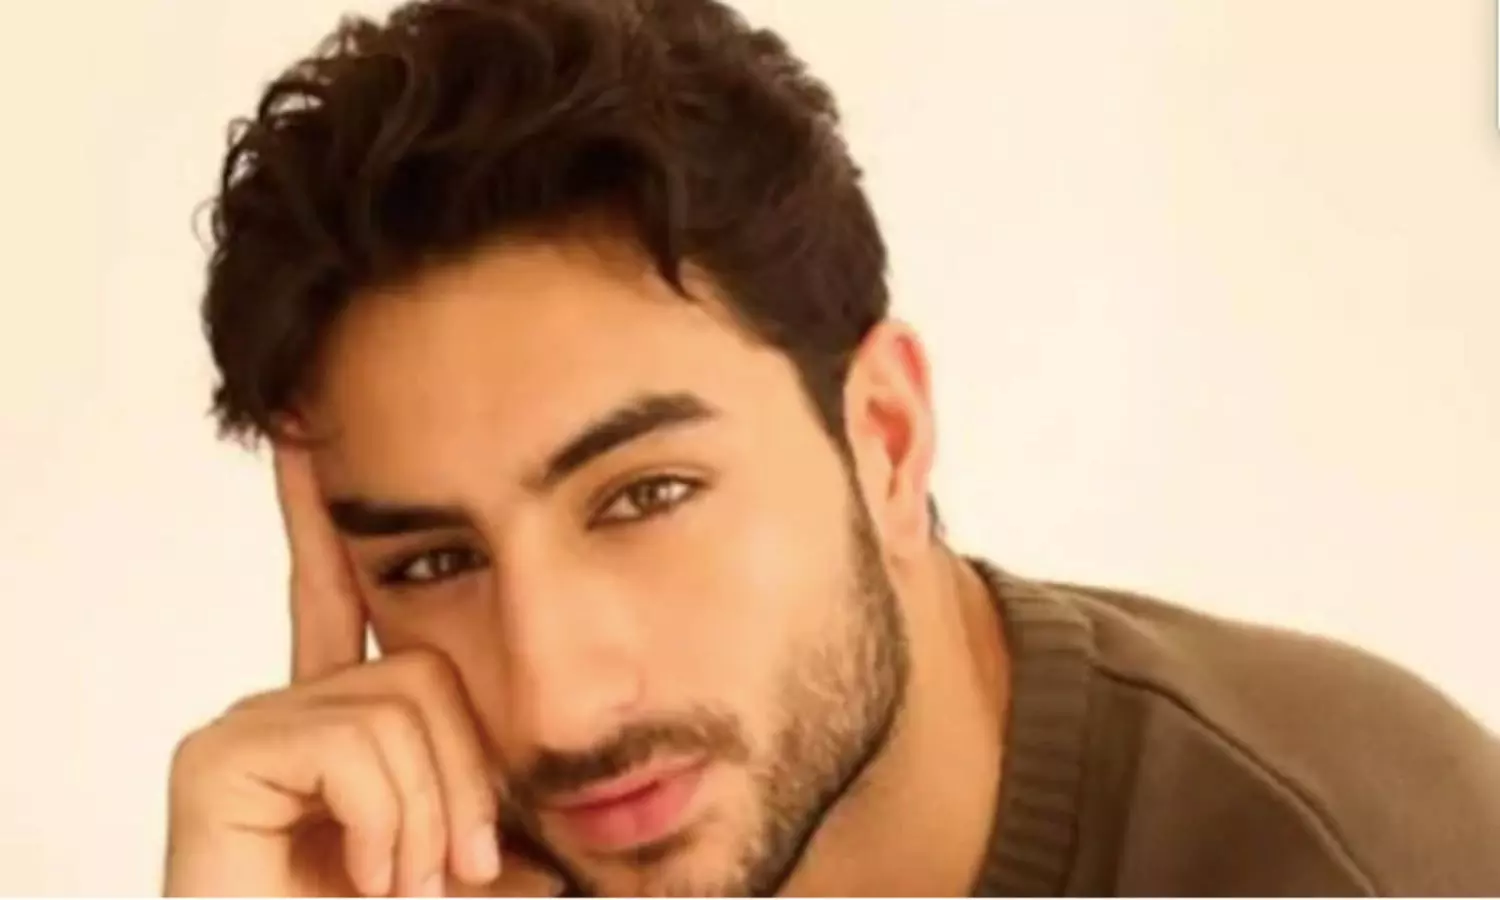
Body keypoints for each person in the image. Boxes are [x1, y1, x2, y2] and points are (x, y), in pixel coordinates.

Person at [164, 0, 1500, 895]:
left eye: (646, 495)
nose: (558, 705)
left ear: (886, 439)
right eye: (432, 562)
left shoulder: (1353, 855)